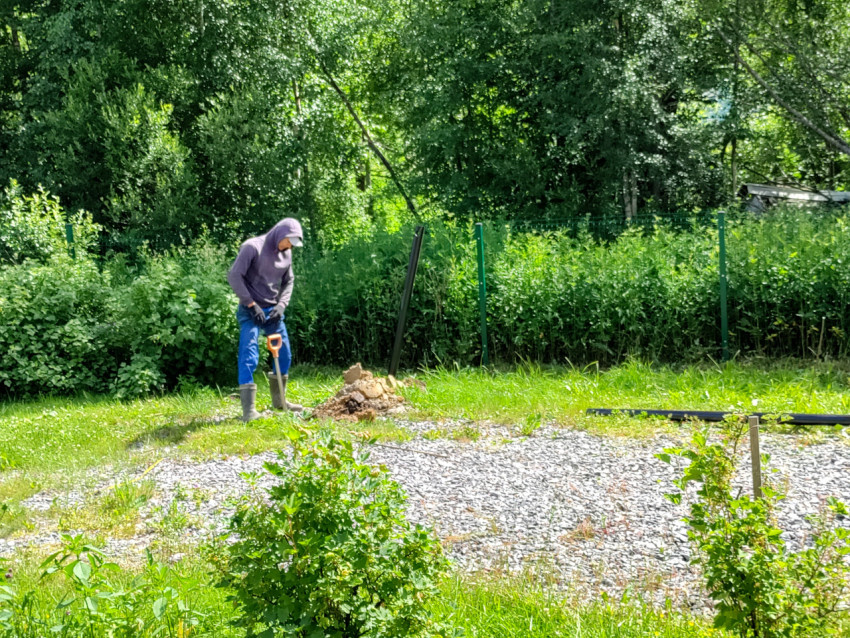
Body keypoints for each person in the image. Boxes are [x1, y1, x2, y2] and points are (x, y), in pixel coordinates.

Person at [227, 218, 304, 421]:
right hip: (250, 309)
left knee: (284, 354)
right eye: (289, 241)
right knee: (249, 354)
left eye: (293, 244)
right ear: (280, 234)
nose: (290, 247)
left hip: (273, 311)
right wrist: (251, 304)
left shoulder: (286, 254)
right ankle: (249, 411)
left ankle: (279, 401)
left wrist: (281, 305)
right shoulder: (252, 248)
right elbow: (234, 276)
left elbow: (289, 281)